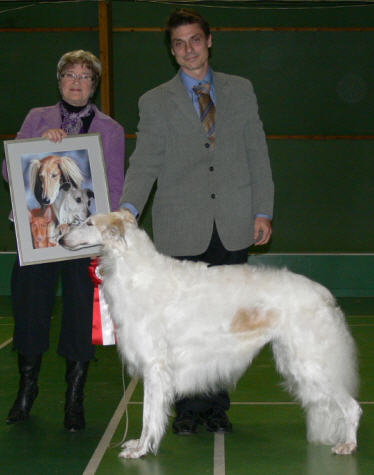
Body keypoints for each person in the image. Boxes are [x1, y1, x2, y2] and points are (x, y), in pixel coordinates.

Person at [119, 9, 274, 435]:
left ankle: (216, 408)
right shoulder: (154, 101)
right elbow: (145, 161)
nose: (188, 49)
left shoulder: (241, 91)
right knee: (184, 327)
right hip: (179, 226)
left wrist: (263, 210)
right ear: (172, 51)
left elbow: (256, 151)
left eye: (194, 40)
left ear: (210, 40)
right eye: (179, 43)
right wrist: (127, 211)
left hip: (232, 223)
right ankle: (187, 410)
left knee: (225, 324)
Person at [2, 50, 125, 431]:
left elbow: (116, 186)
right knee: (30, 310)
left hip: (85, 240)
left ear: (95, 84)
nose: (77, 82)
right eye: (69, 75)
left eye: (85, 76)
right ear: (59, 81)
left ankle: (75, 398)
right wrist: (37, 146)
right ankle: (28, 389)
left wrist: (107, 233)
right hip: (37, 237)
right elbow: (9, 171)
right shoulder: (36, 118)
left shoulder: (111, 130)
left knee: (78, 317)